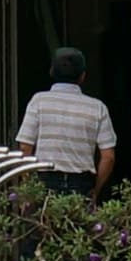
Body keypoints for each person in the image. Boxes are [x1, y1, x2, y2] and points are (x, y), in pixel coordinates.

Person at [15, 49, 118, 192]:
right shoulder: (97, 108)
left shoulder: (38, 101)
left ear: (51, 71)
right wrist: (95, 190)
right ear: (83, 76)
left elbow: (25, 147)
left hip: (45, 181)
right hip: (82, 183)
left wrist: (28, 187)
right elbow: (109, 157)